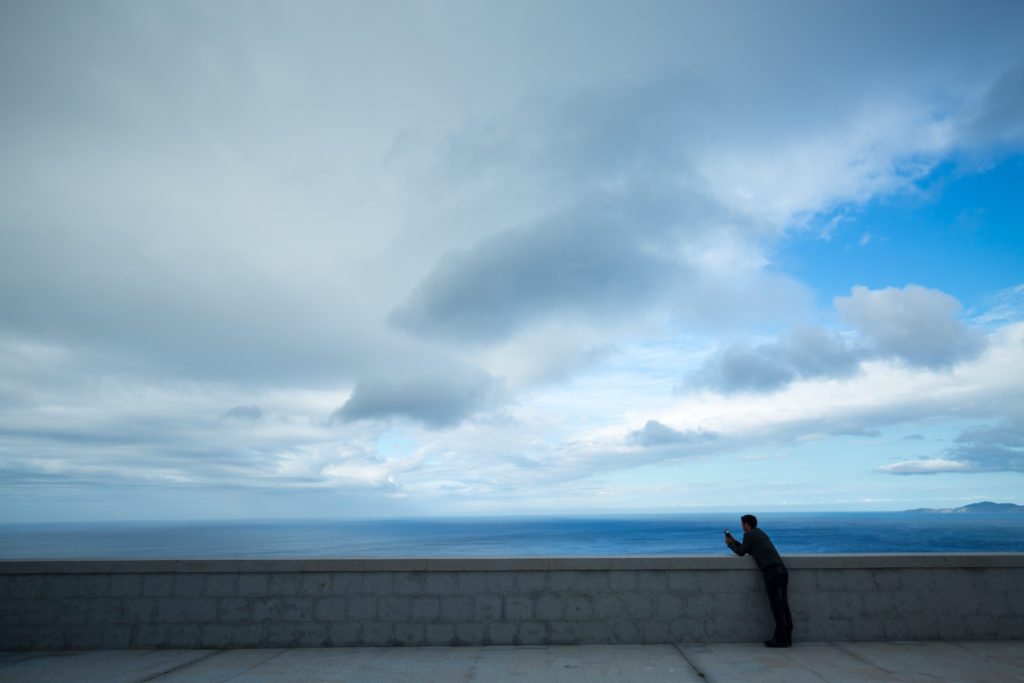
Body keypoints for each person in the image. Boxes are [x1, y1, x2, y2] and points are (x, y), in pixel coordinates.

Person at [725, 514, 793, 647]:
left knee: (777, 607)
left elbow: (740, 553)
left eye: (742, 524)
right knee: (784, 606)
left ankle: (781, 639)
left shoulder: (749, 535)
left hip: (771, 573)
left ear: (746, 524)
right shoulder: (759, 533)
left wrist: (730, 545)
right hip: (782, 571)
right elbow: (747, 549)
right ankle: (787, 637)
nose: (742, 526)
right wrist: (735, 542)